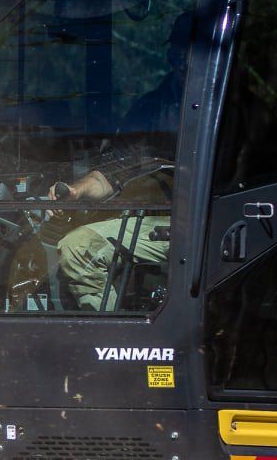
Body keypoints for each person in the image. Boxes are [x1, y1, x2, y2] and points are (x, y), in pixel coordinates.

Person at [51, 16, 188, 311]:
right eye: (179, 50)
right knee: (79, 243)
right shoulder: (150, 109)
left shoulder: (239, 110)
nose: (182, 58)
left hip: (213, 223)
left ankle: (113, 340)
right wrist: (76, 191)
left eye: (190, 50)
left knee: (79, 247)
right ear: (171, 55)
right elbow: (114, 170)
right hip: (159, 220)